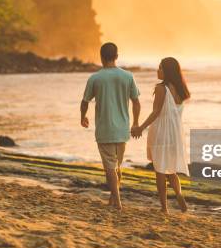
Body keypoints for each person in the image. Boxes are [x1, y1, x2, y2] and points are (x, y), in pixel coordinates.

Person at [80, 43, 140, 211]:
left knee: (110, 168)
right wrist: (135, 122)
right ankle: (113, 199)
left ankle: (118, 203)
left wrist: (83, 117)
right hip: (122, 130)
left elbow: (85, 102)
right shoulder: (128, 76)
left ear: (101, 56)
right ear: (117, 56)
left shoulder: (95, 78)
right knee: (116, 167)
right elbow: (136, 102)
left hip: (105, 130)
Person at [131, 57, 190, 214]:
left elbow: (156, 112)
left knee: (160, 170)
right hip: (175, 135)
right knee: (171, 170)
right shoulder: (181, 90)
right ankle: (179, 194)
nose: (158, 71)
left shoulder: (160, 88)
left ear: (167, 71)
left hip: (161, 133)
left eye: (160, 68)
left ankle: (164, 207)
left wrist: (141, 127)